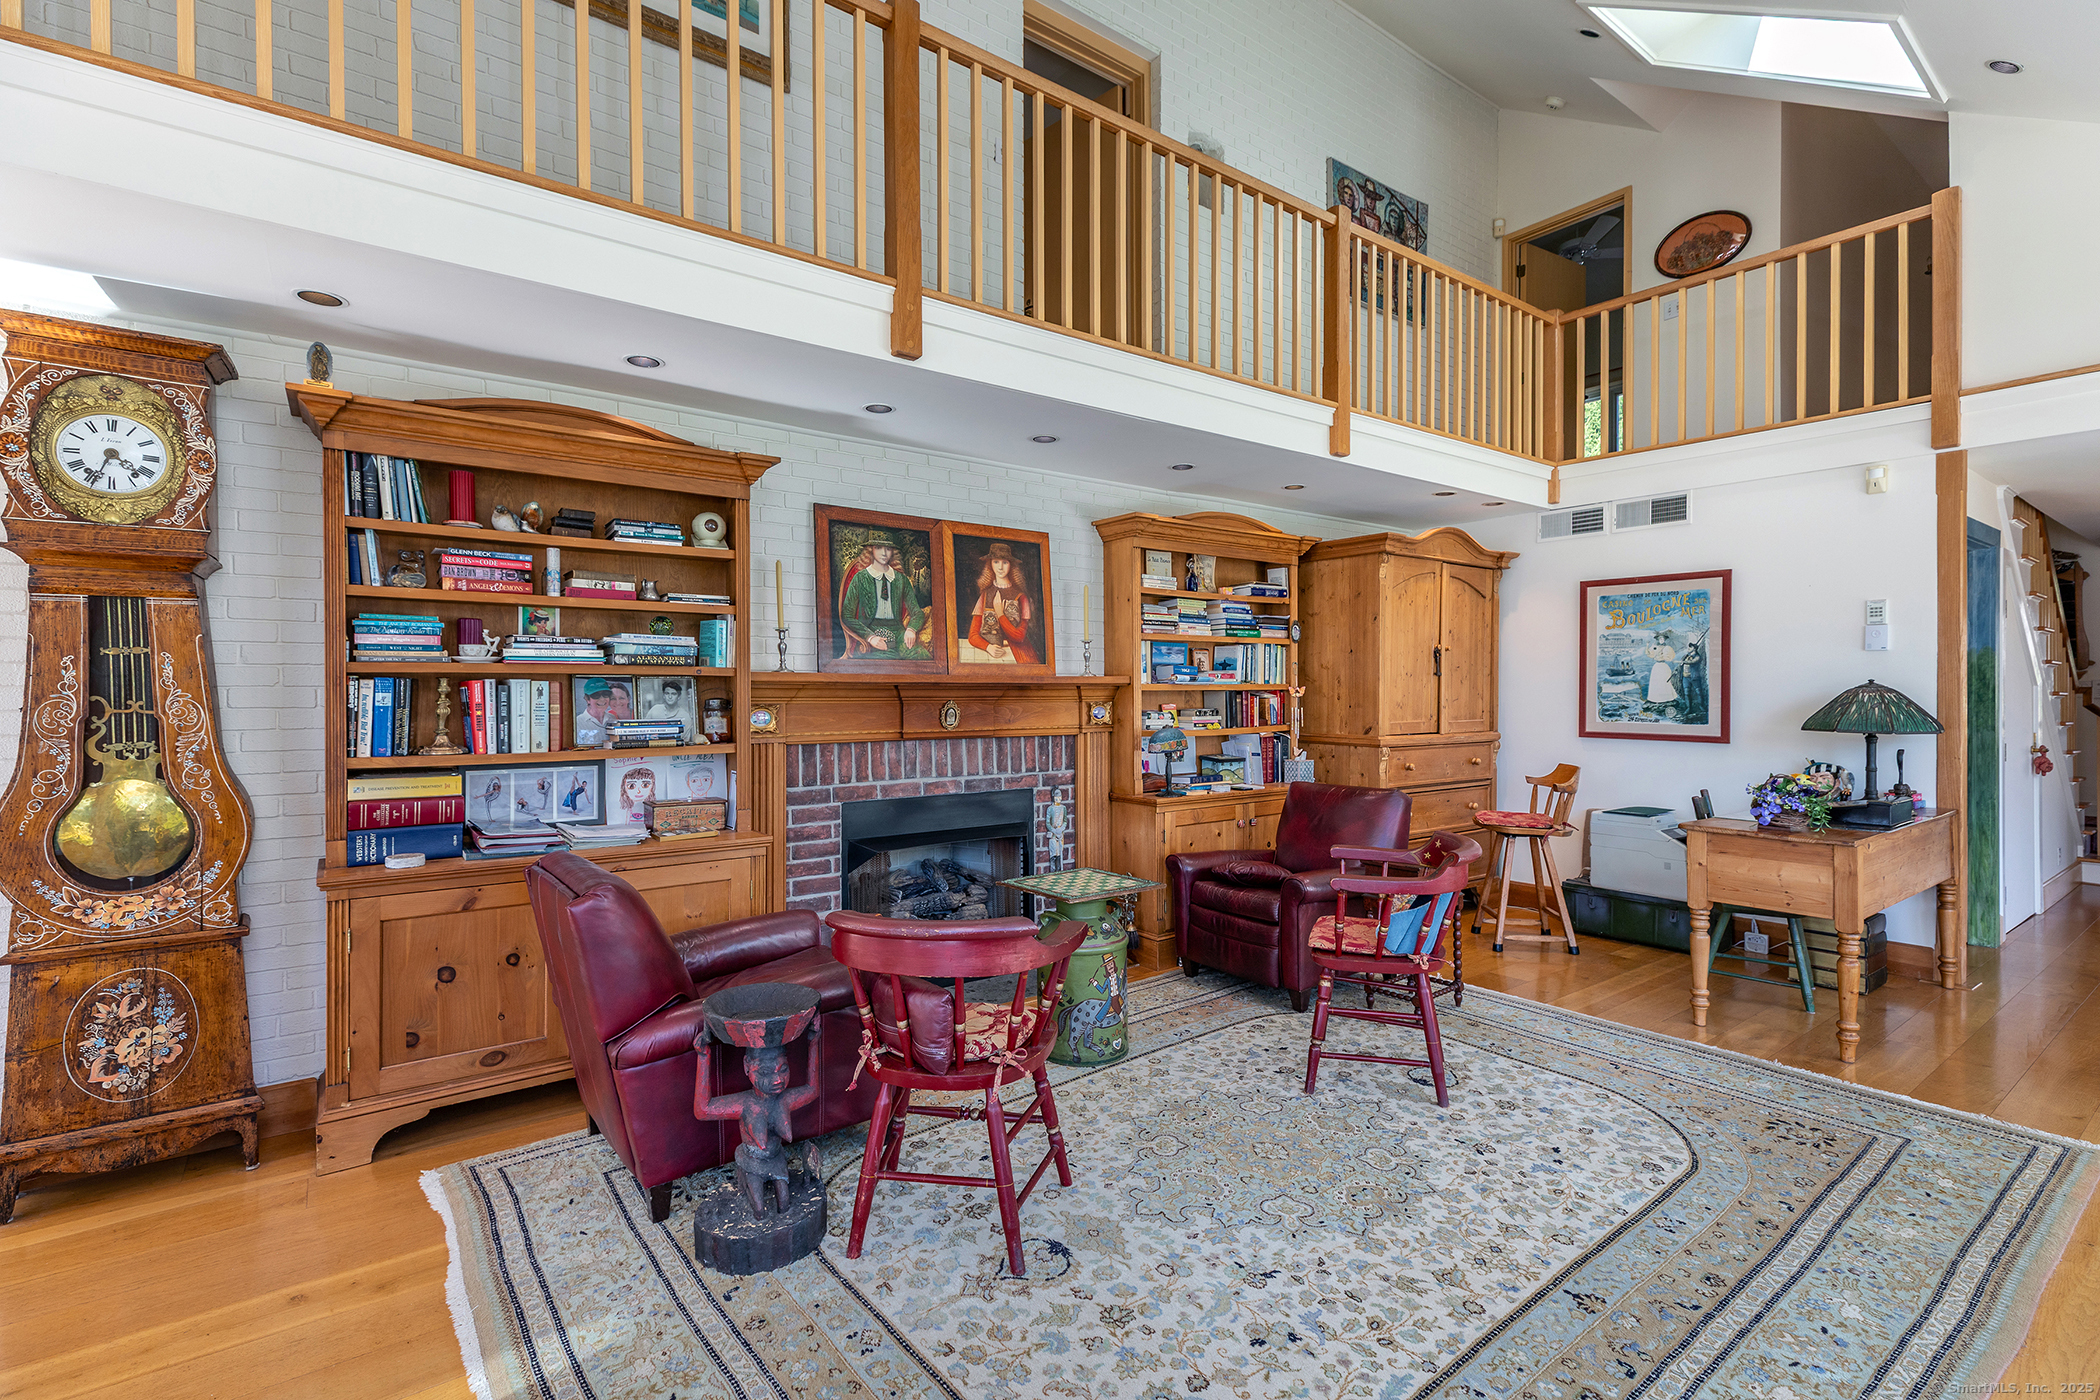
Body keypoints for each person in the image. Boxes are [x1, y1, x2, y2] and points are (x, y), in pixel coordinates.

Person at [837, 532, 930, 659]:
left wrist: (911, 629)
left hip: (899, 635)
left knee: (922, 657)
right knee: (888, 662)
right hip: (871, 635)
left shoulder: (901, 579)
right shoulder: (860, 578)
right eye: (878, 548)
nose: (884, 553)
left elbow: (917, 612)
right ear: (871, 550)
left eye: (888, 549)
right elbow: (847, 616)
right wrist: (870, 637)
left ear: (893, 552)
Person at [964, 541, 1040, 665]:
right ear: (990, 564)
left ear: (1011, 565)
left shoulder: (1021, 597)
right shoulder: (985, 595)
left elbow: (1019, 636)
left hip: (1018, 652)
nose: (1000, 567)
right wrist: (988, 647)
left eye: (1005, 562)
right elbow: (972, 635)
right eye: (996, 562)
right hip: (993, 654)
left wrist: (1000, 613)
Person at [1645, 633, 1679, 707]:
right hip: (1657, 666)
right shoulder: (1654, 647)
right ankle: (1655, 698)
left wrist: (1663, 655)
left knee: (1666, 681)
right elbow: (1649, 654)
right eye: (1660, 639)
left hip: (1663, 666)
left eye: (1663, 639)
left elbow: (1670, 657)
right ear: (1658, 640)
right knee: (1656, 682)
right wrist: (1647, 645)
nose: (1662, 640)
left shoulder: (1667, 648)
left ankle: (1668, 698)